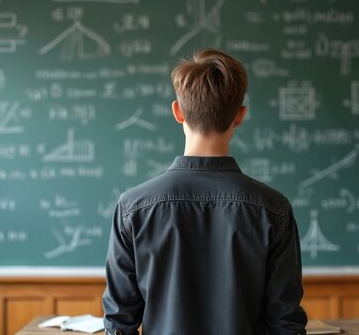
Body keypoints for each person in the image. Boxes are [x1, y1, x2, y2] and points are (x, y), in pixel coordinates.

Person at [102, 49, 307, 335]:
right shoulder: (274, 209)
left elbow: (119, 323)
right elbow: (286, 324)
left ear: (178, 112)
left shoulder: (133, 207)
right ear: (239, 116)